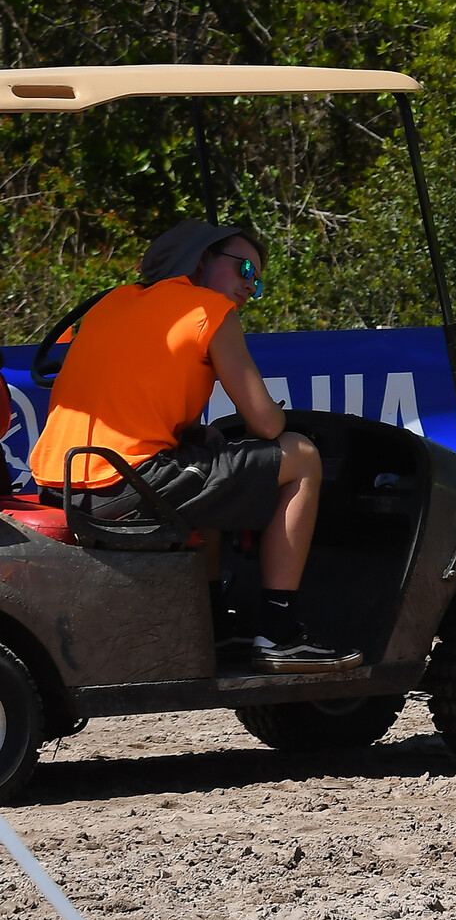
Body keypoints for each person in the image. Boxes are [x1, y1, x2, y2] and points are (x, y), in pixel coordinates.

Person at [30, 220, 361, 673]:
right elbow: (266, 424)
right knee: (301, 456)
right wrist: (279, 417)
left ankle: (214, 627)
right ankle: (280, 634)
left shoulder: (111, 302)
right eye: (244, 266)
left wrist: (195, 433)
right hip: (123, 483)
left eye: (258, 279)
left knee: (207, 463)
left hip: (59, 481)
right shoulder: (209, 310)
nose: (250, 282)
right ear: (201, 258)